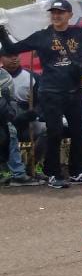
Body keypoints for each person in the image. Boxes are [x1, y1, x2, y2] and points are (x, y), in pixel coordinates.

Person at [0, 0, 82, 188]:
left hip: (75, 91)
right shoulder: (41, 36)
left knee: (79, 132)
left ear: (70, 15)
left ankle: (77, 170)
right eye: (53, 12)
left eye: (60, 12)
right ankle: (53, 173)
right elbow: (13, 49)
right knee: (55, 132)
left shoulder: (79, 33)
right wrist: (2, 29)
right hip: (51, 93)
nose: (56, 15)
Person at [0, 53, 39, 185]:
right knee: (9, 132)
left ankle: (24, 171)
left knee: (10, 131)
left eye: (16, 55)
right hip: (6, 118)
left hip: (15, 117)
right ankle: (13, 173)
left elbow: (7, 103)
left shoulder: (5, 76)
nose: (14, 58)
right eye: (9, 56)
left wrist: (32, 111)